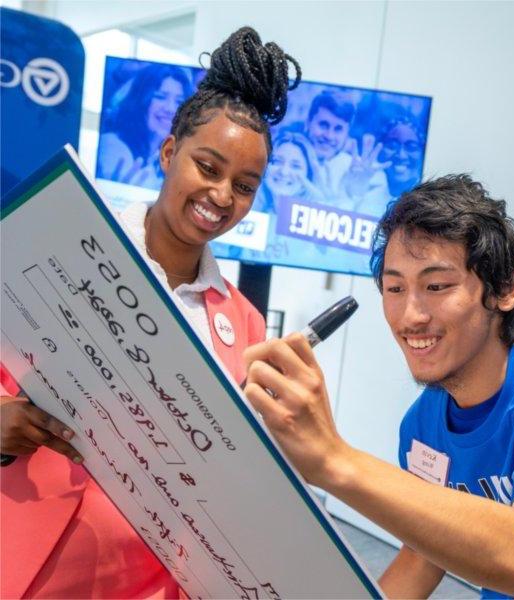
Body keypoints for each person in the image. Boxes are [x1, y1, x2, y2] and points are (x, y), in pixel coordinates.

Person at [0, 26, 301, 599]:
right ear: (168, 153)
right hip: (24, 553)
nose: (221, 196)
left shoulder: (246, 325)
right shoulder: (62, 241)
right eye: (207, 168)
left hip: (149, 580)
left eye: (244, 185)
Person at [243, 174, 514, 599]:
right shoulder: (424, 423)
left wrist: (333, 459)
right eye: (395, 288)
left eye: (436, 286)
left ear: (505, 288)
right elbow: (424, 554)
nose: (410, 316)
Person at [96, 64, 194, 190]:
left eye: (179, 101)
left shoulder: (166, 157)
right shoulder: (112, 146)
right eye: (160, 97)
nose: (170, 108)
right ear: (140, 99)